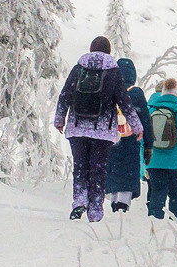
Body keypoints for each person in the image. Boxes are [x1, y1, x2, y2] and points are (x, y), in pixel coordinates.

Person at [52, 34, 131, 222]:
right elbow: (124, 100)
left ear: (91, 49)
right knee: (98, 169)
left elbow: (65, 94)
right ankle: (95, 210)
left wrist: (59, 119)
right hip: (103, 130)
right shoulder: (113, 70)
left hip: (77, 127)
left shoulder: (79, 68)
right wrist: (136, 126)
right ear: (108, 51)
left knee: (81, 166)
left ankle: (79, 201)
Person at [141, 76, 177, 220]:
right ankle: (176, 227)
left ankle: (154, 227)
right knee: (176, 196)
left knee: (157, 193)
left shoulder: (150, 110)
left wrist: (144, 161)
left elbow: (144, 138)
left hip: (155, 161)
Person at [104, 58, 153, 212]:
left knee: (114, 172)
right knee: (128, 173)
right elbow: (145, 120)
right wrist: (148, 146)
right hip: (131, 141)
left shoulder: (108, 90)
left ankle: (114, 202)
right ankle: (123, 204)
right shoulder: (136, 93)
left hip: (111, 140)